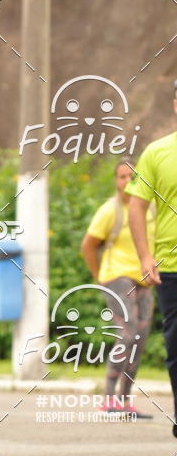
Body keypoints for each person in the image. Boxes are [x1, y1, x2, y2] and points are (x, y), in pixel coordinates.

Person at [81, 161, 155, 418]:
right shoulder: (109, 210)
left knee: (140, 339)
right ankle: (108, 400)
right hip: (116, 277)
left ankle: (125, 402)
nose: (126, 181)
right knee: (127, 333)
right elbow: (88, 246)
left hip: (144, 280)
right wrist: (99, 277)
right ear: (116, 181)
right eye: (122, 177)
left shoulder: (150, 209)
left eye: (132, 176)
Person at [129, 79, 177, 437]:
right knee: (176, 351)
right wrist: (145, 255)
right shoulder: (157, 153)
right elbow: (137, 205)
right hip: (172, 269)